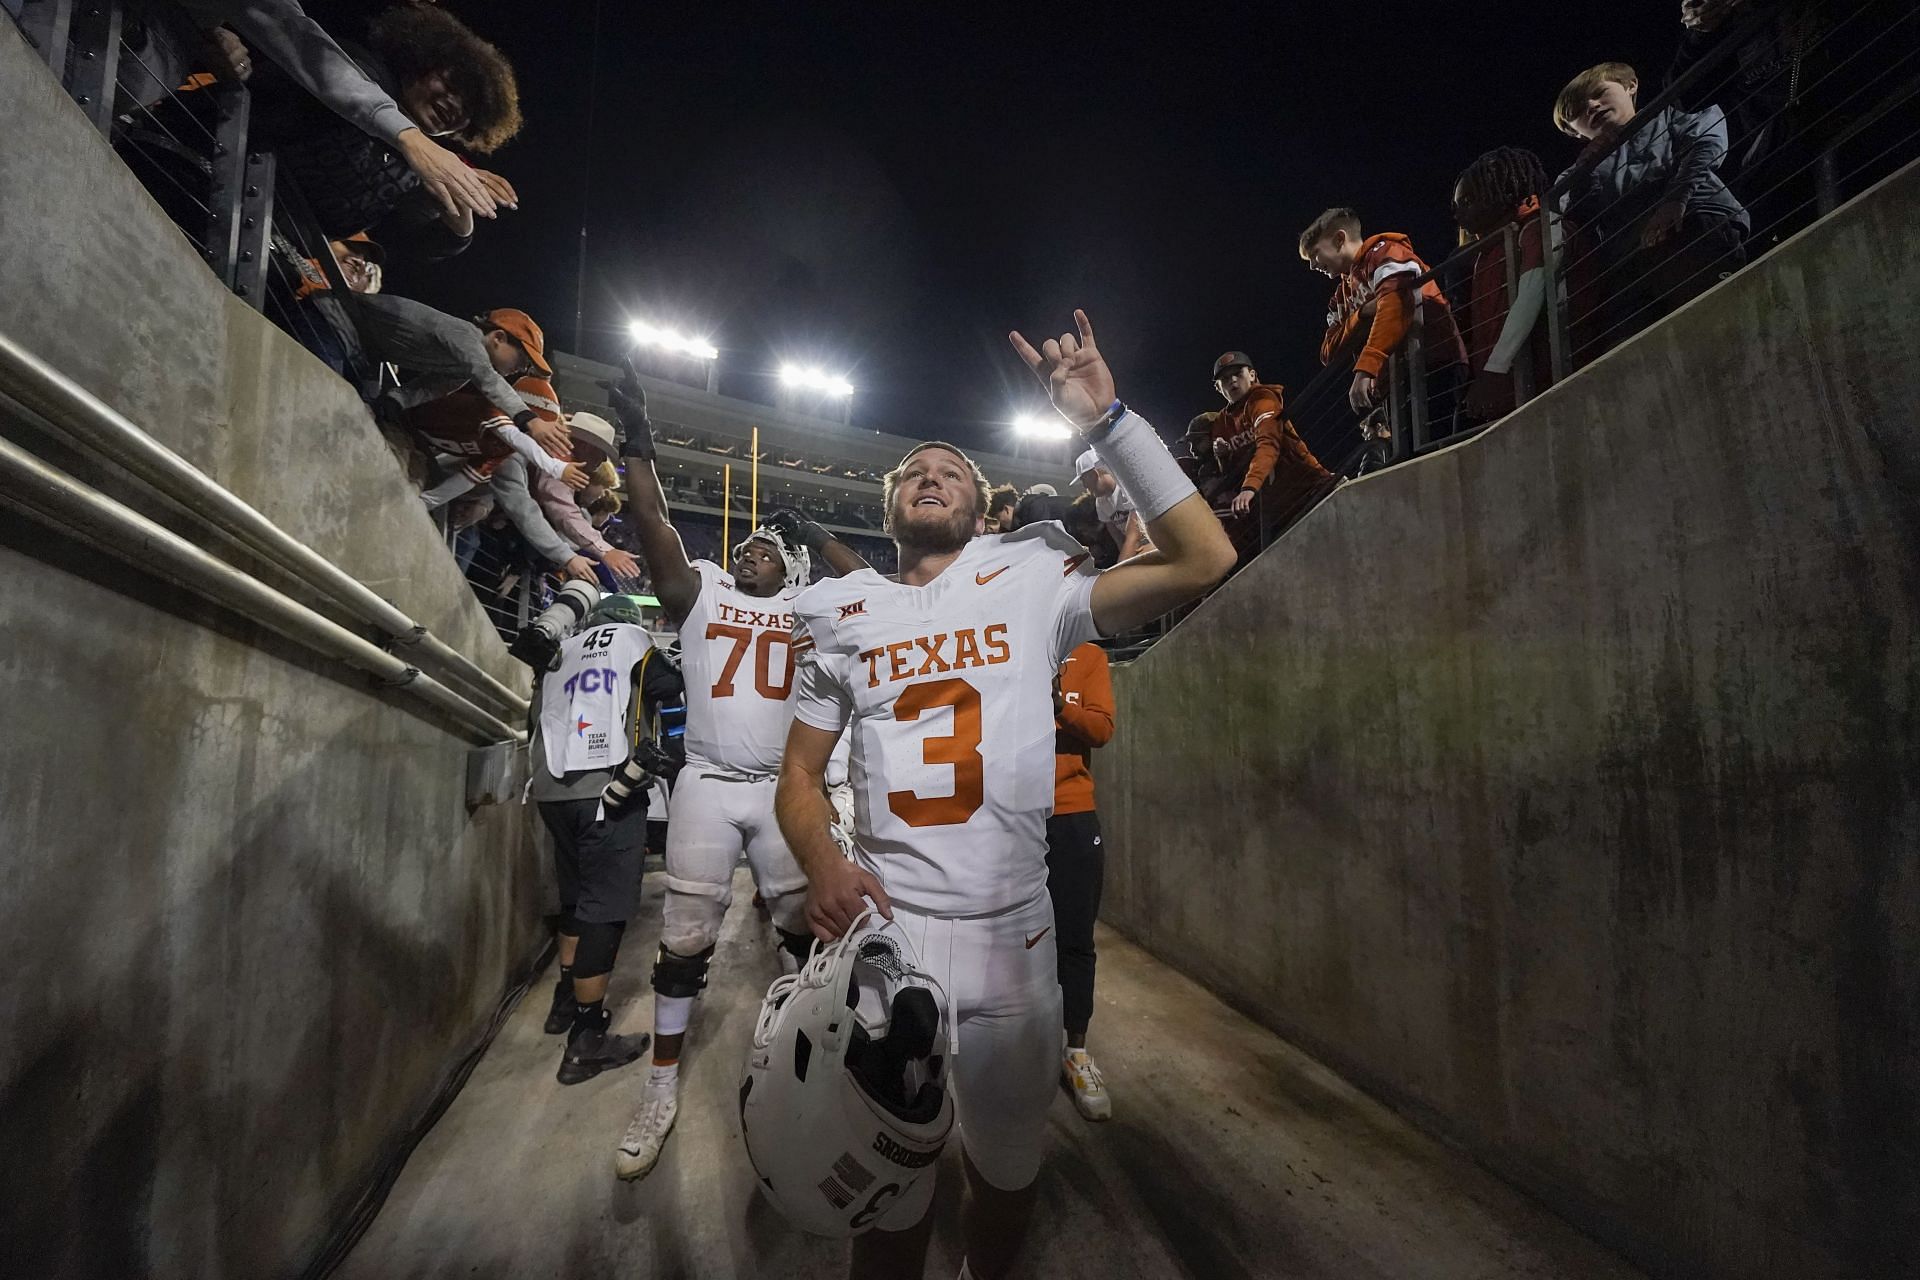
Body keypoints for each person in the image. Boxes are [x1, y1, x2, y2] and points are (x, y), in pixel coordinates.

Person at [774, 311, 1235, 1279]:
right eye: (909, 471)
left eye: (947, 468)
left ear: (984, 507)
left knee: (1008, 1170)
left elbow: (1204, 558)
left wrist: (1105, 419)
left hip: (1014, 933)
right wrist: (822, 857)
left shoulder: (1034, 575)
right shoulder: (838, 612)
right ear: (887, 505)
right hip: (890, 930)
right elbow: (802, 776)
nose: (927, 473)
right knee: (886, 1185)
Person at [600, 364, 862, 1181]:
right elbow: (653, 527)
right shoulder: (701, 592)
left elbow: (869, 591)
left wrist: (814, 529)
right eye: (741, 548)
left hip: (784, 785)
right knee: (684, 934)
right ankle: (660, 1083)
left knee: (800, 928)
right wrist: (638, 447)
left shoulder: (808, 607)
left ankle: (803, 1059)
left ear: (788, 572)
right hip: (711, 781)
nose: (748, 554)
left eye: (764, 550)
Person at [525, 591, 685, 1084]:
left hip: (552, 789)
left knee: (576, 896)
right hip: (607, 787)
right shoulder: (635, 639)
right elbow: (671, 692)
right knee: (606, 909)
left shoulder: (563, 646)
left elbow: (536, 716)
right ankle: (586, 1038)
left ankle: (565, 999)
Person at [167, 0, 507, 222]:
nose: (453, 104)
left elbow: (406, 243)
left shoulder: (419, 171)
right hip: (181, 168)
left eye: (470, 111)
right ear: (422, 62)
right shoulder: (360, 66)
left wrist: (460, 216)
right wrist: (412, 141)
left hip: (250, 249)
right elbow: (333, 73)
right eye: (451, 85)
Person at [1008, 494, 1117, 1122]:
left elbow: (1100, 729)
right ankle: (1014, 1045)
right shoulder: (997, 640)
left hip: (1070, 812)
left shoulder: (1088, 648)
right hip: (1007, 810)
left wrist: (1055, 706)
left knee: (1075, 938)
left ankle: (1075, 1049)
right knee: (1006, 937)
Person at [1552, 61, 1750, 357]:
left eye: (1599, 93)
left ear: (1631, 86)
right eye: (1578, 110)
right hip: (1628, 268)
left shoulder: (1670, 112)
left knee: (1721, 330)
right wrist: (1583, 173)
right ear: (1575, 132)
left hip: (1693, 228)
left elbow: (1707, 142)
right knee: (1630, 355)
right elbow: (1569, 218)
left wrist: (1675, 200)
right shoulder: (1572, 176)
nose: (1591, 105)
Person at [1300, 210, 1469, 442]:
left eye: (1315, 254)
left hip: (1435, 364)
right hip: (1396, 382)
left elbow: (1396, 306)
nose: (1311, 266)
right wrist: (1362, 314)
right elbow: (1328, 352)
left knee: (1441, 451)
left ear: (1340, 239)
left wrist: (1366, 368)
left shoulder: (1387, 251)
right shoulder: (1340, 296)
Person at [1451, 148, 1556, 424]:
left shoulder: (1538, 228)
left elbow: (1531, 295)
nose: (1459, 216)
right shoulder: (1486, 254)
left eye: (1467, 201)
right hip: (1504, 395)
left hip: (1543, 385)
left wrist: (1495, 370)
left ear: (1503, 190)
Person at [1199, 353, 1333, 535]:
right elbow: (1231, 471)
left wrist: (1249, 487)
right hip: (1279, 511)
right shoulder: (1221, 423)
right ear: (1218, 387)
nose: (1232, 380)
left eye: (1238, 373)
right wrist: (1223, 457)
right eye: (1224, 378)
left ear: (1252, 375)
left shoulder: (1263, 399)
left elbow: (1268, 444)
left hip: (1312, 489)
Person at [1072, 449, 1149, 560]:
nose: (1084, 486)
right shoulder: (1101, 503)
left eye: (1083, 479)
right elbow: (1120, 541)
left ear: (1094, 473)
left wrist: (1119, 572)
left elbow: (1134, 538)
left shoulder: (1128, 489)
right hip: (1136, 551)